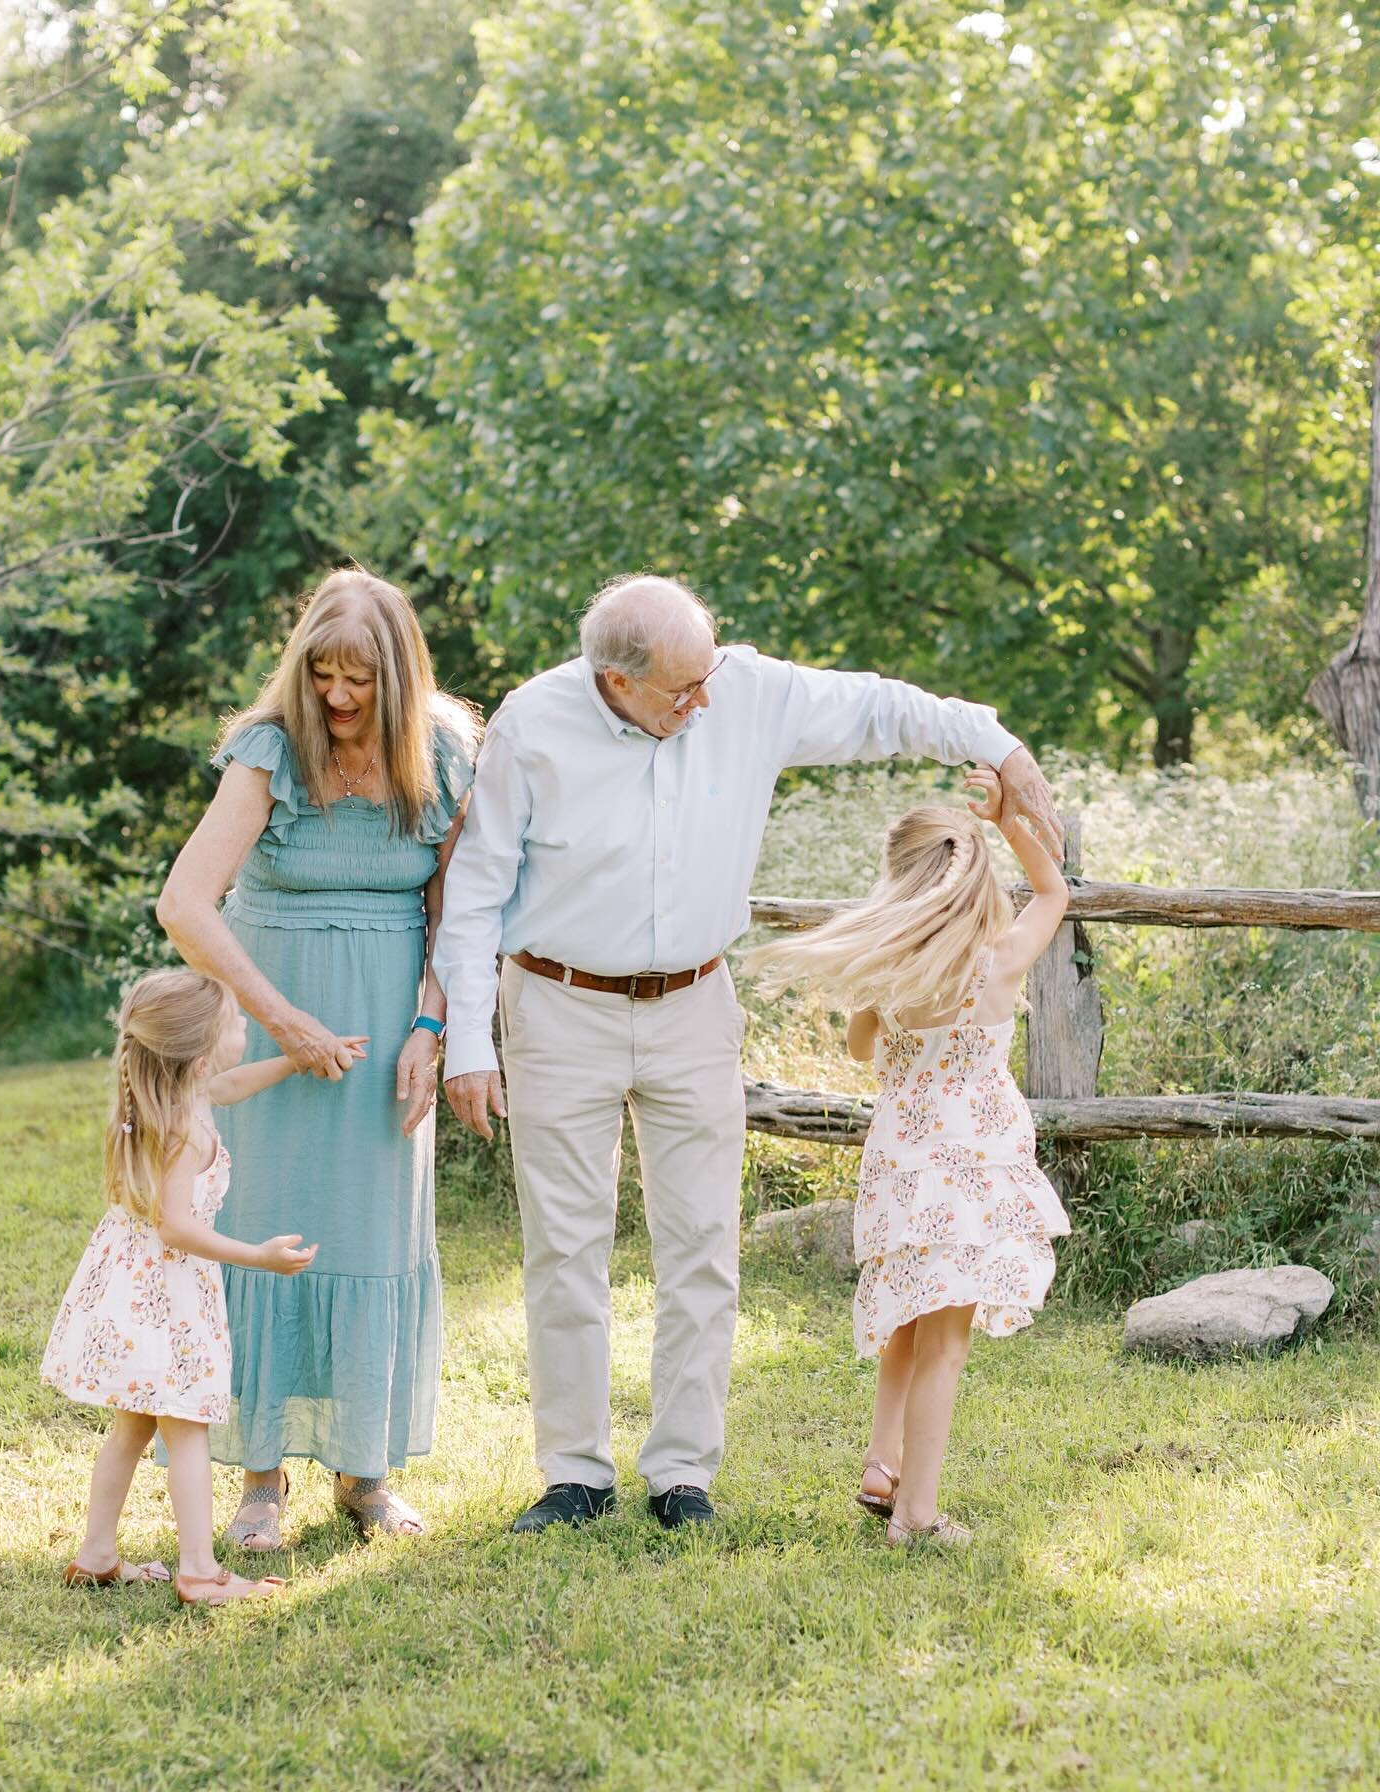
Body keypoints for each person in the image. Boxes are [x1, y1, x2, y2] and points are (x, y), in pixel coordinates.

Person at [433, 572, 1064, 1533]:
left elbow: (884, 708)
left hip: (693, 1001)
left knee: (701, 1245)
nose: (705, 700)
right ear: (616, 677)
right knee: (564, 1245)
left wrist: (998, 745)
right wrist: (468, 1041)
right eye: (682, 689)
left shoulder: (742, 688)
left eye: (708, 672)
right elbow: (477, 885)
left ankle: (682, 1474)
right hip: (559, 1002)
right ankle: (574, 1476)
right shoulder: (534, 722)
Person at [156, 567, 477, 1547]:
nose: (337, 698)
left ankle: (363, 1474)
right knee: (262, 1228)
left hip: (388, 1034)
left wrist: (433, 1030)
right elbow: (184, 904)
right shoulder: (268, 751)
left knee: (372, 1237)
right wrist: (280, 1018)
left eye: (359, 680)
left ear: (400, 673)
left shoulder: (449, 756)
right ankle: (260, 1475)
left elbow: (457, 916)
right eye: (322, 674)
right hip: (267, 1024)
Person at [751, 765, 1071, 1545]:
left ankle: (881, 1462)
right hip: (975, 1160)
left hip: (901, 1161)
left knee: (909, 1315)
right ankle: (917, 1515)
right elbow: (1055, 893)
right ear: (971, 878)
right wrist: (1004, 822)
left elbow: (863, 1051)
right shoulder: (997, 961)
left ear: (899, 881)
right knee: (947, 1342)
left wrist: (877, 988)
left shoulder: (890, 974)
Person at [42, 968, 331, 1604]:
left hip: (131, 1287)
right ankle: (200, 1572)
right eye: (235, 1024)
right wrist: (256, 1255)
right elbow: (176, 1226)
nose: (244, 1028)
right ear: (199, 1054)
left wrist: (290, 1062)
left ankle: (96, 1554)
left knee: (133, 1428)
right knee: (187, 1429)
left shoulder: (172, 1099)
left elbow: (229, 1085)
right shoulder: (184, 1131)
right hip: (166, 1297)